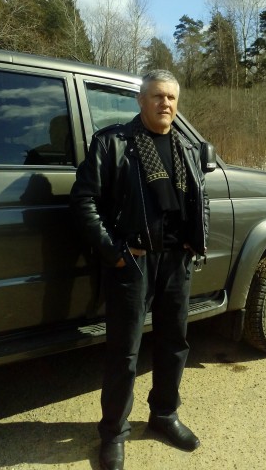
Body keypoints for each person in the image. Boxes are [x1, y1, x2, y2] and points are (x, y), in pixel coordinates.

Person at [70, 69, 209, 470]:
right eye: (157, 97)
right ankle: (113, 433)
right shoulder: (113, 143)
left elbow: (200, 199)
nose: (165, 104)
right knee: (123, 352)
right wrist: (114, 251)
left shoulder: (186, 146)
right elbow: (84, 203)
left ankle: (164, 415)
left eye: (171, 98)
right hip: (133, 263)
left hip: (176, 263)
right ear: (141, 100)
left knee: (174, 344)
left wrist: (194, 240)